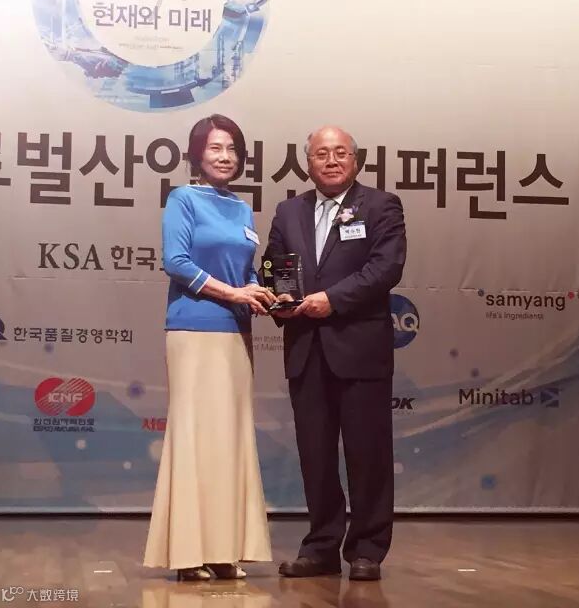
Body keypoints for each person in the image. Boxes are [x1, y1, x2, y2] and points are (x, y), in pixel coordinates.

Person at [264, 126, 407, 581]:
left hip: (359, 349)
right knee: (316, 456)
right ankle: (321, 546)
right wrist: (278, 298)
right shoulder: (289, 211)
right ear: (308, 162)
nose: (331, 160)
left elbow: (386, 267)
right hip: (306, 348)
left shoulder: (381, 205)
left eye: (340, 152)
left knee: (368, 454)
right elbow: (274, 266)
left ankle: (367, 548)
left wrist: (333, 299)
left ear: (356, 160)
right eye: (321, 153)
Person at [144, 114, 275, 581]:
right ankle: (187, 554)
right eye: (216, 148)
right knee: (196, 437)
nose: (225, 156)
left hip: (237, 332)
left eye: (232, 149)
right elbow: (176, 262)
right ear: (197, 154)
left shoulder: (241, 208)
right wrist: (233, 293)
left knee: (229, 441)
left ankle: (223, 550)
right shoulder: (183, 198)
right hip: (194, 329)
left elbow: (245, 267)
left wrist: (256, 288)